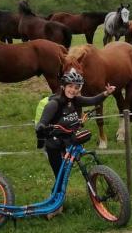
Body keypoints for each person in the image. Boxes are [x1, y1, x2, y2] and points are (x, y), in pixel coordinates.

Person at [35, 68, 115, 219]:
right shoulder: (54, 104)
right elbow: (43, 122)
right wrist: (41, 126)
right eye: (70, 86)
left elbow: (93, 100)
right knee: (60, 174)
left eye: (76, 87)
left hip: (68, 142)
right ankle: (55, 206)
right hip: (54, 144)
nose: (73, 90)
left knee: (64, 175)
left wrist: (107, 92)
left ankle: (57, 201)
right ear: (63, 86)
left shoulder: (75, 100)